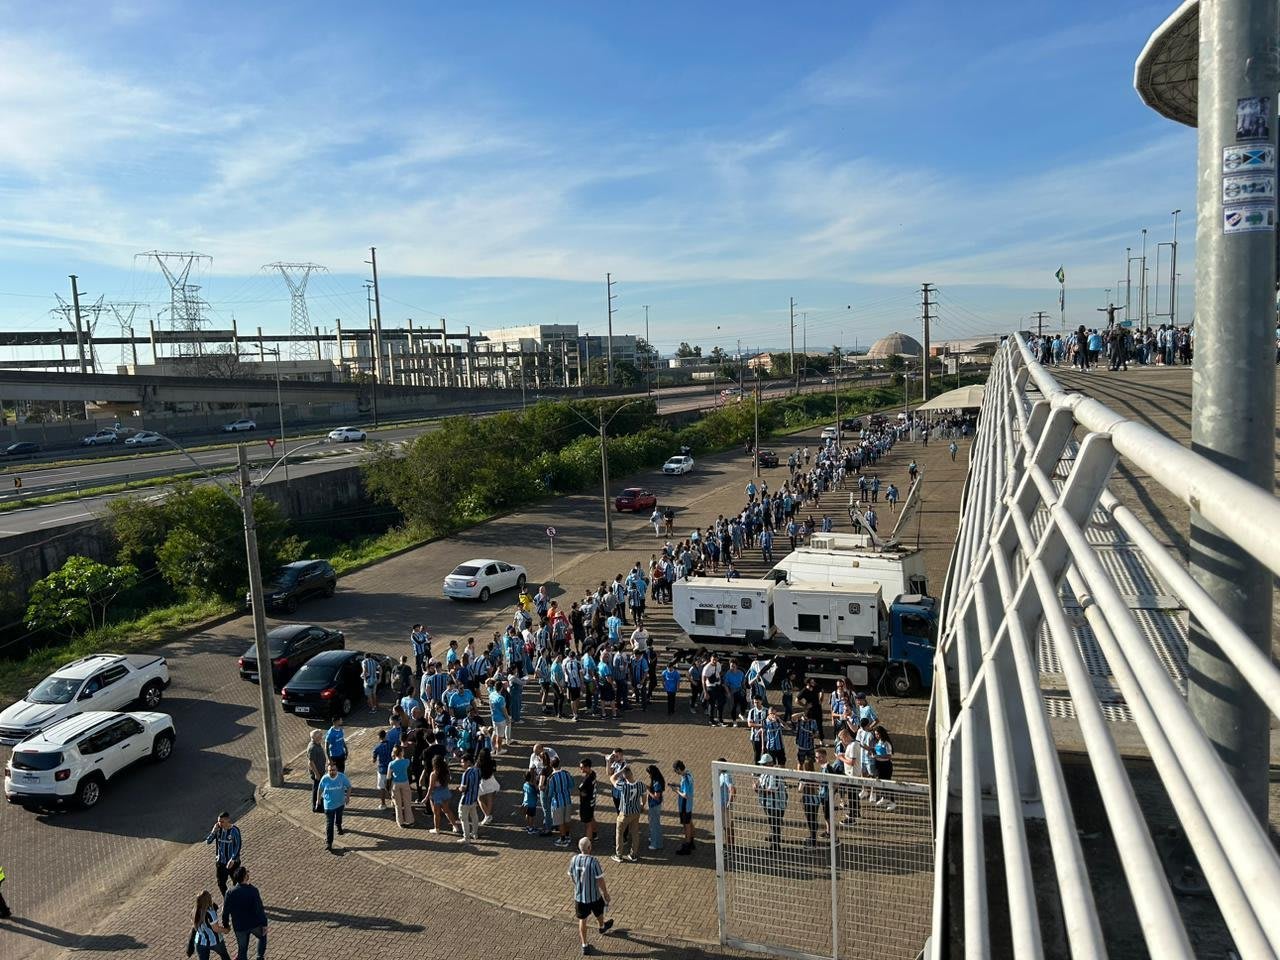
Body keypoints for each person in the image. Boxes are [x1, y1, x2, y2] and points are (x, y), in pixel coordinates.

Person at [568, 837, 614, 955]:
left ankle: (584, 945)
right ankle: (602, 926)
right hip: (593, 895)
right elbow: (600, 880)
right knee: (599, 912)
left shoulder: (574, 859)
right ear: (589, 848)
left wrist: (577, 886)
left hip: (579, 897)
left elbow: (572, 875)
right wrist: (606, 893)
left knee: (582, 920)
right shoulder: (593, 861)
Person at [222, 866, 268, 960]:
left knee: (242, 950)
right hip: (254, 924)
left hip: (239, 927)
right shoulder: (253, 890)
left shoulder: (230, 893)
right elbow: (259, 909)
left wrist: (226, 924)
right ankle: (259, 957)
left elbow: (225, 911)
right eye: (247, 873)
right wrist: (264, 923)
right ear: (245, 877)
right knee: (262, 935)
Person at [610, 764, 644, 862]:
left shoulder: (623, 786)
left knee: (619, 834)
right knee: (635, 834)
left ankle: (619, 855)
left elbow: (612, 778)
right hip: (636, 812)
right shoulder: (640, 784)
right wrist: (642, 804)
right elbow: (644, 796)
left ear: (624, 776)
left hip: (625, 813)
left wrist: (620, 771)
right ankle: (633, 854)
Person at [205, 811, 243, 896]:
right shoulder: (218, 830)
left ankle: (239, 899)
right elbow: (208, 841)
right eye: (219, 821)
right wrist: (213, 831)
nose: (220, 823)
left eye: (222, 821)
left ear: (228, 820)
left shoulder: (234, 831)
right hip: (221, 862)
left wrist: (233, 859)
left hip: (233, 863)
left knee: (237, 882)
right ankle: (227, 899)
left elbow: (238, 846)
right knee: (221, 883)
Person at [755, 754, 787, 847]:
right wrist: (756, 786)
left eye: (764, 764)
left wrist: (759, 790)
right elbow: (760, 782)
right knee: (772, 822)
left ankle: (775, 845)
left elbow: (771, 790)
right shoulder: (765, 772)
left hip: (776, 805)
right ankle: (774, 837)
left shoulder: (775, 774)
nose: (762, 766)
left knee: (775, 824)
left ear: (770, 764)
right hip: (768, 804)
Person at [318, 760, 351, 852]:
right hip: (328, 805)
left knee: (339, 816)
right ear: (327, 771)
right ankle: (329, 843)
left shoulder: (342, 777)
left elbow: (349, 786)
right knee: (329, 824)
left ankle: (339, 826)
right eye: (330, 770)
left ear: (337, 770)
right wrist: (318, 800)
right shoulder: (325, 779)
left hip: (340, 803)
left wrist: (347, 797)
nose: (332, 772)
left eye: (333, 770)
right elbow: (320, 789)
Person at [190, 889, 231, 960]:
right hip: (215, 941)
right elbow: (216, 928)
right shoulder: (210, 912)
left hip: (200, 942)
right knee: (225, 956)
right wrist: (226, 930)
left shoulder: (194, 911)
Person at [547, 756, 576, 847]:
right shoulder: (566, 773)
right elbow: (572, 785)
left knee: (560, 822)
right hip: (567, 800)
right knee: (567, 820)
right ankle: (567, 836)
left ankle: (563, 839)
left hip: (557, 803)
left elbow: (550, 792)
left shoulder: (551, 778)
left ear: (551, 765)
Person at [458, 752, 482, 843]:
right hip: (474, 798)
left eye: (462, 762)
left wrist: (459, 789)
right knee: (474, 816)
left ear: (468, 762)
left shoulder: (466, 773)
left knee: (464, 818)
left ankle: (466, 837)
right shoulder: (477, 770)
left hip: (466, 799)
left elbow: (463, 788)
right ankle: (474, 833)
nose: (461, 764)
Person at [388, 744, 414, 827]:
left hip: (395, 783)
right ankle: (410, 820)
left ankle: (400, 822)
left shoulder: (391, 764)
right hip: (405, 782)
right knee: (407, 802)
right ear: (401, 752)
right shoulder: (406, 761)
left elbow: (388, 776)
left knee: (398, 804)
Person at [673, 760, 695, 855]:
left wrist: (676, 791)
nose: (675, 772)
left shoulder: (685, 779)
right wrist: (678, 785)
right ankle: (691, 841)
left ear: (678, 769)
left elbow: (685, 795)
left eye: (675, 770)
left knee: (686, 825)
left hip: (685, 805)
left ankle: (687, 845)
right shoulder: (688, 774)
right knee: (690, 822)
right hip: (689, 805)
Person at [645, 764, 665, 851]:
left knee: (654, 825)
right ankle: (655, 839)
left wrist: (649, 791)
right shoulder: (656, 781)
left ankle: (656, 843)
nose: (649, 775)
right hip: (653, 806)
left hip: (654, 806)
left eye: (649, 773)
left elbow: (656, 796)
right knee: (653, 823)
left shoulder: (657, 783)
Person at [578, 757, 599, 844]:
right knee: (591, 817)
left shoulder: (587, 780)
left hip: (586, 804)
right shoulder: (593, 774)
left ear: (587, 767)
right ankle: (595, 834)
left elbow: (581, 789)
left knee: (588, 824)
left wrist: (583, 793)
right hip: (592, 802)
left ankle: (588, 842)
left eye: (582, 767)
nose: (581, 769)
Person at [371, 729, 392, 809]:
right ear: (385, 736)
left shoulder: (377, 748)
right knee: (392, 786)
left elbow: (374, 760)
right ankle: (393, 801)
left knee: (382, 788)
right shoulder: (391, 744)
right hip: (391, 768)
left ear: (379, 737)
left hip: (382, 770)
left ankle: (383, 804)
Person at [306, 730, 326, 814]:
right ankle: (316, 806)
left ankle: (319, 802)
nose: (322, 737)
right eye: (320, 735)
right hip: (317, 772)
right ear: (316, 737)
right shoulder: (312, 748)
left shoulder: (317, 744)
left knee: (319, 788)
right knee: (316, 789)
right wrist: (316, 774)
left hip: (320, 770)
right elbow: (311, 762)